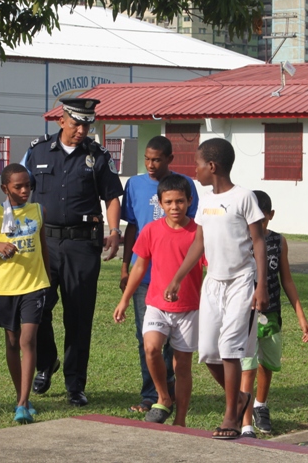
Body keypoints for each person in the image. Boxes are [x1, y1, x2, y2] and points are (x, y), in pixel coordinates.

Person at [22, 98, 123, 406]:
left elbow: (112, 196)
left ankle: (75, 384)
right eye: (77, 124)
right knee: (37, 308)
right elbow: (19, 190)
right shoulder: (38, 151)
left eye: (87, 126)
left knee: (78, 316)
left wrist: (114, 231)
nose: (81, 131)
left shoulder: (98, 155)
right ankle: (46, 362)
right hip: (45, 244)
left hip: (82, 246)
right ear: (61, 121)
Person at [165, 138, 268, 440]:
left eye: (197, 165)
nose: (194, 170)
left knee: (230, 349)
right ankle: (239, 397)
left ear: (212, 166)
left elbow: (259, 242)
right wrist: (178, 277)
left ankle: (231, 416)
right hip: (213, 283)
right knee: (209, 352)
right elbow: (199, 242)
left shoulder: (244, 197)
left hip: (241, 282)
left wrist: (261, 285)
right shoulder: (206, 201)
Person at [114, 174, 204, 426]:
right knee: (151, 348)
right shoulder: (151, 230)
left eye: (180, 201)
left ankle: (180, 419)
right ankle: (163, 396)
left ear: (189, 201)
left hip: (188, 308)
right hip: (156, 305)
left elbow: (211, 267)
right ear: (160, 203)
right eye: (169, 202)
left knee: (181, 366)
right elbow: (140, 267)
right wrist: (124, 300)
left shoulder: (199, 233)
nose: (175, 207)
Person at [239, 190, 308, 438]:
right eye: (252, 220)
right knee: (247, 368)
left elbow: (287, 280)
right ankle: (245, 423)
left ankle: (260, 405)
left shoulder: (278, 242)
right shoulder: (239, 240)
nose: (257, 225)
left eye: (262, 220)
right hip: (244, 315)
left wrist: (301, 316)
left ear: (270, 215)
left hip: (271, 314)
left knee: (267, 364)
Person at [0, 163, 50, 424]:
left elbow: (43, 248)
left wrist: (48, 281)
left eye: (28, 186)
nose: (25, 190)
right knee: (12, 342)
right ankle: (21, 396)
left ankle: (22, 403)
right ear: (5, 188)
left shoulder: (38, 210)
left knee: (27, 340)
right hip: (6, 288)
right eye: (18, 186)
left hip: (34, 285)